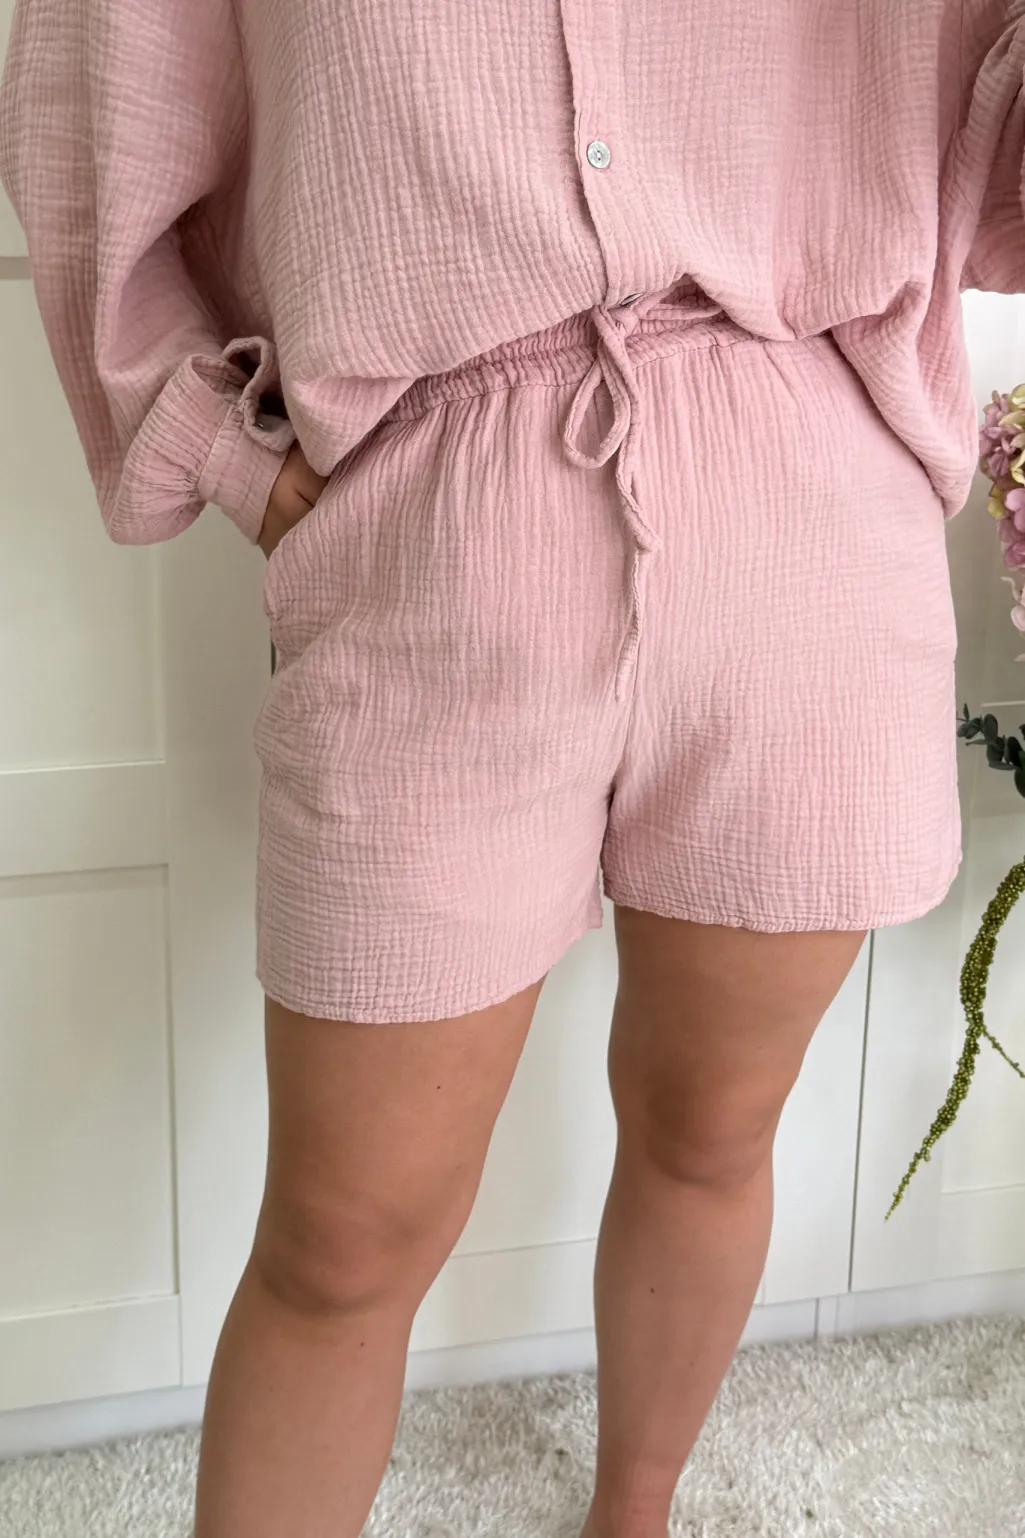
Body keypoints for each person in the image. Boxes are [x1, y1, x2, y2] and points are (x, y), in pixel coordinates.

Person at [1, 3, 1022, 1535]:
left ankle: (634, 1513)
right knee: (341, 1236)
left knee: (713, 1128)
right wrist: (220, 449)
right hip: (436, 530)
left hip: (808, 508)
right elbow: (93, 108)